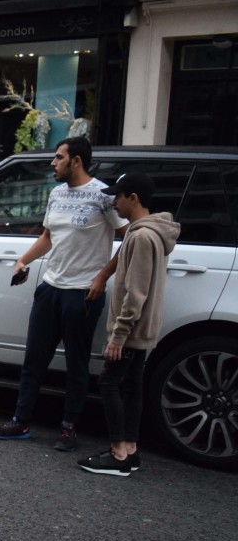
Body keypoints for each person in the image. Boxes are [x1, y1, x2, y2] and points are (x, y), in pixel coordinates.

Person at [0, 136, 127, 452]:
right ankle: (20, 421)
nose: (53, 162)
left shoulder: (103, 197)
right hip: (51, 287)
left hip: (83, 293)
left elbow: (129, 237)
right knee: (34, 359)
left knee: (76, 364)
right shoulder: (56, 193)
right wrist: (23, 260)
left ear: (75, 161)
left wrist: (103, 276)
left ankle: (68, 428)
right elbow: (49, 237)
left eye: (58, 157)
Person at [79, 173, 179, 476]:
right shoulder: (152, 233)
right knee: (133, 387)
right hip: (142, 330)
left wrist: (118, 336)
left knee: (110, 384)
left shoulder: (141, 236)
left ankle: (118, 453)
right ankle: (130, 450)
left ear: (133, 197)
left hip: (131, 331)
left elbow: (136, 293)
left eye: (119, 196)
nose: (115, 202)